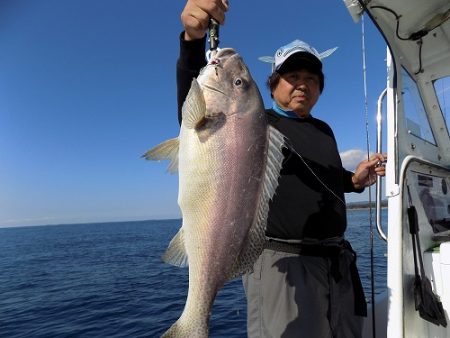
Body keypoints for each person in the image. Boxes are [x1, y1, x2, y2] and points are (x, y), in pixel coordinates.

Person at [176, 1, 387, 337]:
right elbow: (196, 115)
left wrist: (355, 181)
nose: (303, 84)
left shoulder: (323, 130)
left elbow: (326, 180)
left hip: (338, 265)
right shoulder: (256, 124)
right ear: (272, 85)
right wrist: (192, 40)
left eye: (311, 78)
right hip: (283, 265)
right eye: (292, 77)